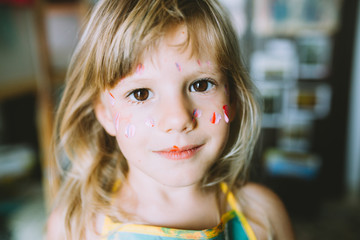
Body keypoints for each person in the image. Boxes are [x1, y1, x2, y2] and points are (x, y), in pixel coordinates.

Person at [46, 0, 295, 239]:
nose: (178, 119)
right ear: (105, 114)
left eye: (201, 85)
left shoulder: (263, 216)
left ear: (234, 98)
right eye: (140, 94)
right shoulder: (74, 228)